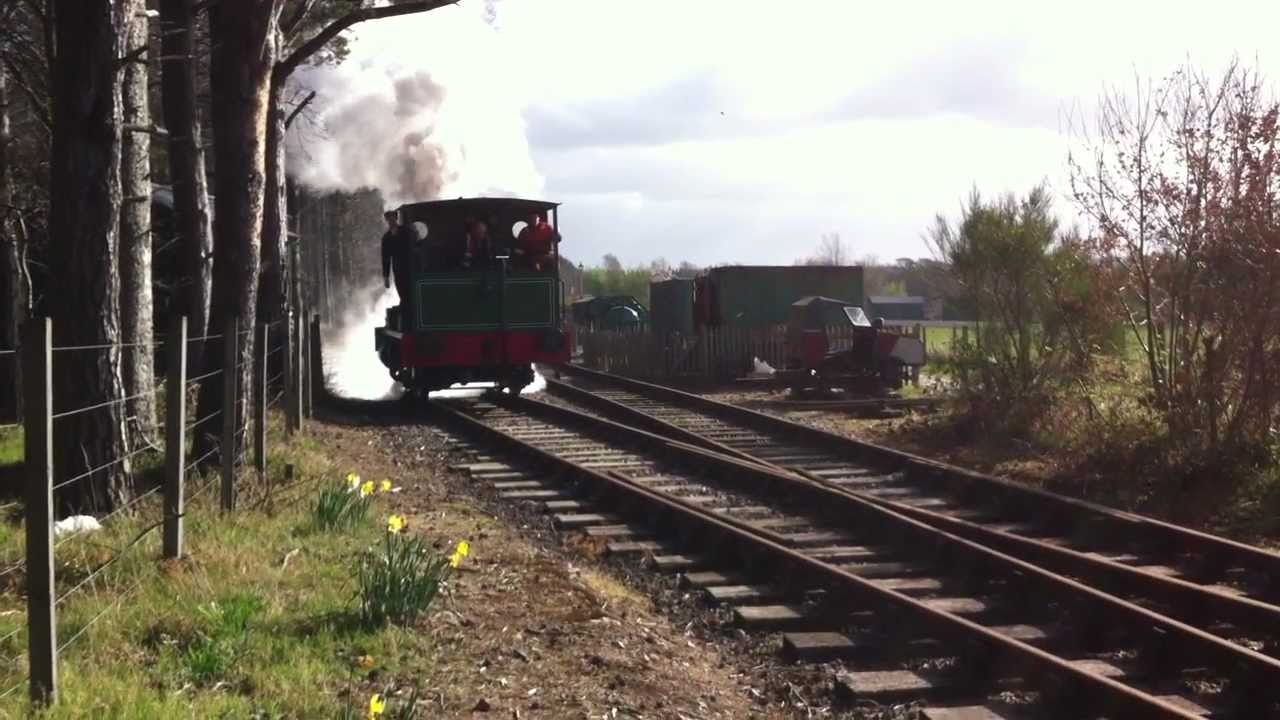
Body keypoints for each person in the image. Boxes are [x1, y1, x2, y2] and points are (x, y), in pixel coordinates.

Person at [380, 210, 413, 325]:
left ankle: (409, 313)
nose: (391, 221)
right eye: (388, 219)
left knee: (410, 292)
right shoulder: (386, 238)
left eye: (392, 218)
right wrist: (386, 276)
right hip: (398, 268)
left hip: (410, 266)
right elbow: (385, 258)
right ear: (386, 220)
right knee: (402, 291)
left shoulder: (406, 232)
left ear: (396, 218)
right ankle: (406, 316)